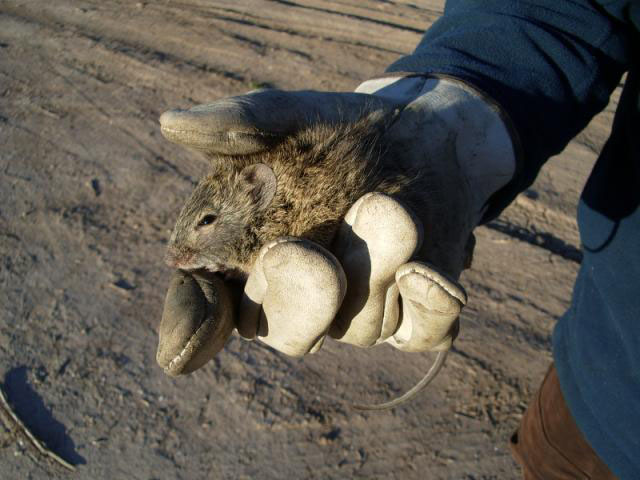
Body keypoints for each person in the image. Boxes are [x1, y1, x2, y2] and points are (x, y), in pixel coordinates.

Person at [158, 1, 639, 477]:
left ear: (259, 193)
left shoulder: (290, 207)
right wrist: (457, 110)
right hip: (601, 402)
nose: (182, 252)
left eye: (205, 225)